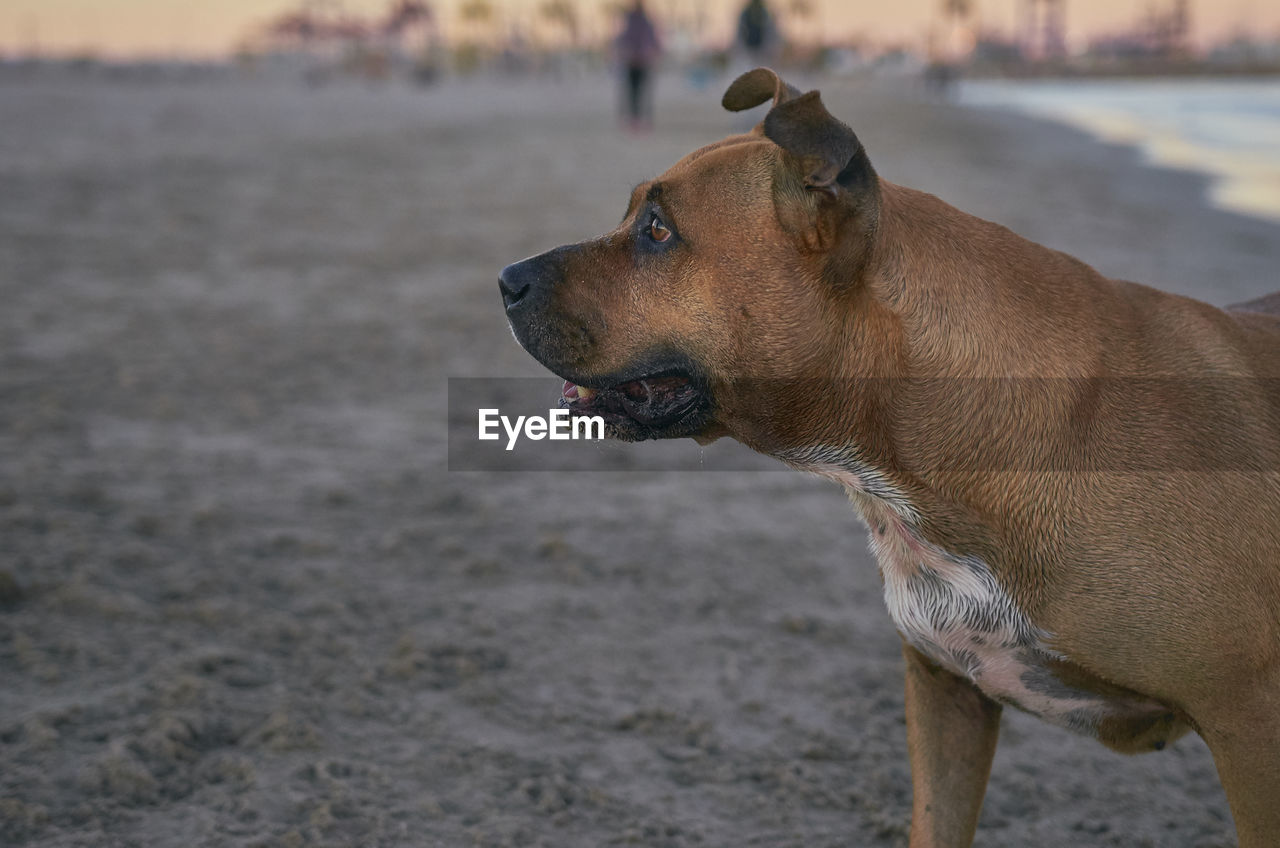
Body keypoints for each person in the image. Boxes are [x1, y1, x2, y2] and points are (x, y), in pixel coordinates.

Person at [615, 1, 661, 132]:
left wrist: (653, 53)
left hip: (642, 61)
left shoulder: (644, 22)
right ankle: (634, 119)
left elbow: (652, 41)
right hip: (633, 61)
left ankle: (641, 119)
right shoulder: (631, 21)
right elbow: (624, 40)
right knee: (634, 92)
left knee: (641, 92)